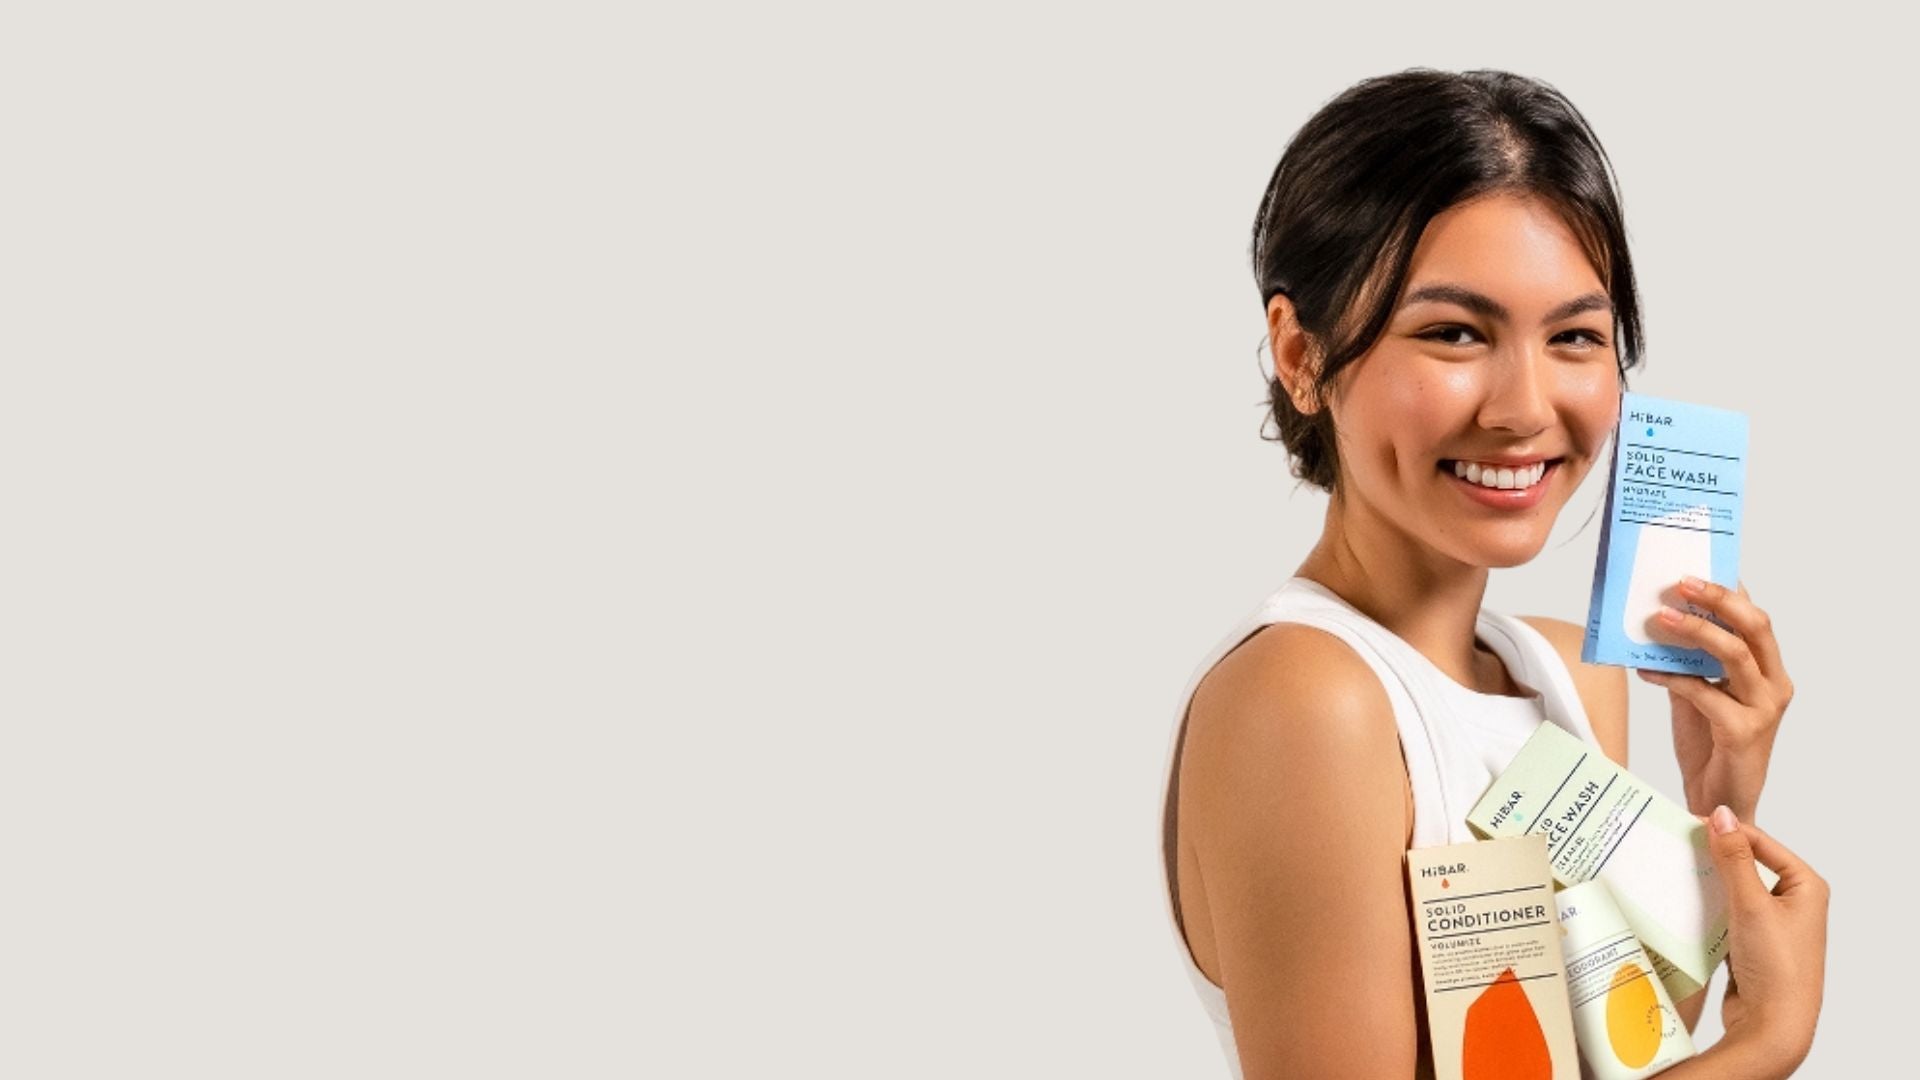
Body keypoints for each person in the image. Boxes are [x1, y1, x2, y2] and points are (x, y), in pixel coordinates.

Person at [1157, 69, 1828, 1079]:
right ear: (1302, 355)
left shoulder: (1567, 674)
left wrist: (1716, 808)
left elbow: (1609, 1059)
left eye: (1574, 338)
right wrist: (1768, 1043)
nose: (1523, 408)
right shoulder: (1307, 703)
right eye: (1454, 333)